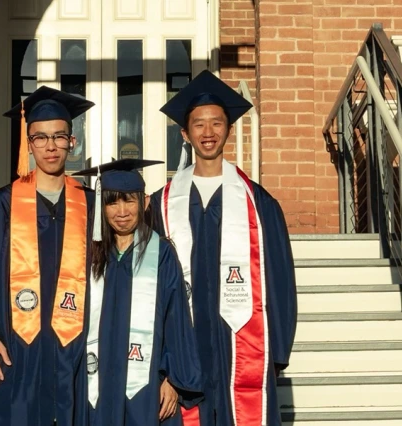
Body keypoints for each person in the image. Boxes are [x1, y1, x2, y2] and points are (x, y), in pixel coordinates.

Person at [148, 70, 297, 426]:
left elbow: (279, 280)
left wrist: (275, 353)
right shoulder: (161, 205)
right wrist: (160, 363)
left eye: (217, 123)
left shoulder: (260, 205)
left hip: (242, 345)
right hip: (184, 347)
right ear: (185, 133)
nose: (208, 132)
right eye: (199, 124)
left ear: (229, 129)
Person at [0, 86, 95, 426]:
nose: (50, 146)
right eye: (40, 138)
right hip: (15, 349)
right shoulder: (0, 205)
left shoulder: (91, 205)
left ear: (72, 142)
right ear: (28, 144)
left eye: (59, 136)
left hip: (74, 349)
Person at [73, 158, 203, 426]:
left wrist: (173, 380)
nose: (122, 211)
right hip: (94, 382)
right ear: (101, 207)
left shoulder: (162, 254)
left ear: (144, 203)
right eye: (112, 202)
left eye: (129, 201)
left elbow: (176, 320)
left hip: (145, 386)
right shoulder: (87, 255)